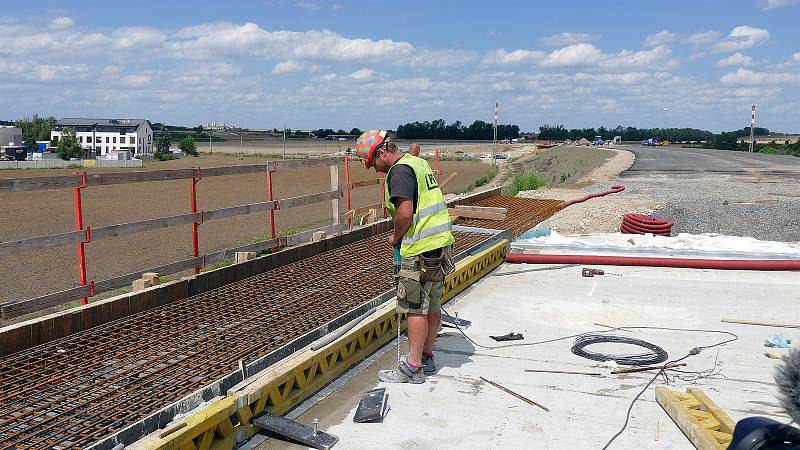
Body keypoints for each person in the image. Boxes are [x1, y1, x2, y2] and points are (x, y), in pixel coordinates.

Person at [354, 129, 454, 384]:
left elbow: (405, 213)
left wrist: (396, 237)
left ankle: (413, 367)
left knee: (414, 308)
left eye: (373, 163)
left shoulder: (398, 172)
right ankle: (427, 357)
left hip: (419, 248)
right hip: (439, 245)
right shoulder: (416, 162)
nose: (376, 170)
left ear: (382, 152)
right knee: (432, 304)